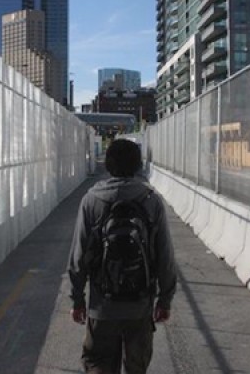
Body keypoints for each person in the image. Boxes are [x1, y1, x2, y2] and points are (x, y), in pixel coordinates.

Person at [68, 139, 177, 374]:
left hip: (101, 306)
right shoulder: (151, 200)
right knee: (137, 367)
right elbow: (165, 256)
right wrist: (165, 300)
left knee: (98, 364)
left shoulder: (91, 200)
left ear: (108, 165)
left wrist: (77, 299)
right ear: (137, 165)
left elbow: (78, 255)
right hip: (140, 305)